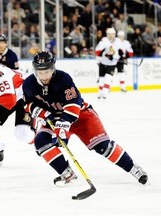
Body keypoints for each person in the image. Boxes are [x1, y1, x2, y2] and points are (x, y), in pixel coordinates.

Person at [22, 51, 148, 186]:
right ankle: (67, 173)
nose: (44, 76)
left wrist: (63, 126)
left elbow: (73, 105)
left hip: (80, 116)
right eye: (40, 73)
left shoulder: (63, 79)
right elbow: (27, 104)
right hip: (54, 119)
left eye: (46, 72)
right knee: (41, 142)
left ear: (53, 68)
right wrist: (43, 113)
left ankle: (133, 168)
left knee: (103, 147)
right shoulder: (29, 84)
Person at [95, 28, 123, 99]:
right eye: (109, 34)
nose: (111, 36)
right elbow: (98, 52)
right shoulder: (103, 41)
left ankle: (104, 93)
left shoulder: (118, 41)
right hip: (103, 62)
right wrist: (105, 55)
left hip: (112, 63)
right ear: (107, 34)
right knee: (101, 79)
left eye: (113, 34)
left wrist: (120, 57)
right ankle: (100, 93)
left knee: (108, 78)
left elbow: (121, 52)